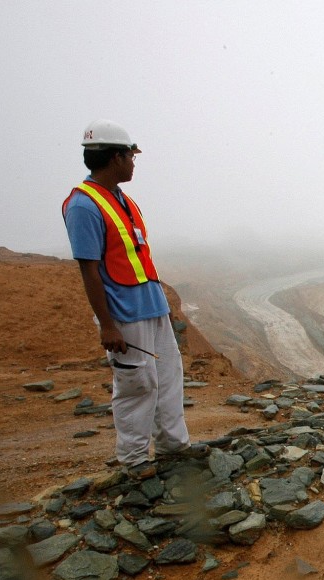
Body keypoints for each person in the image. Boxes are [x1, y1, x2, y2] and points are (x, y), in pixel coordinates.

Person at [62, 119, 205, 478]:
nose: (134, 163)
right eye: (130, 156)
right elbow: (89, 269)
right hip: (124, 314)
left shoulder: (122, 200)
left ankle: (174, 447)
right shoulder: (84, 206)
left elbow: (137, 257)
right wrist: (107, 325)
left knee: (169, 376)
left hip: (151, 306)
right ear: (115, 157)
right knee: (136, 385)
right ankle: (135, 459)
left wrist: (163, 305)